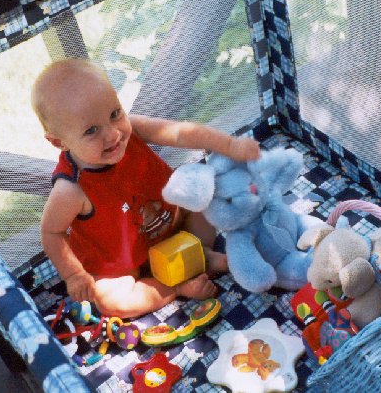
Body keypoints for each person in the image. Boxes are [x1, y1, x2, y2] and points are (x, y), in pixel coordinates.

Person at [31, 58, 260, 318]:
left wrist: (229, 146)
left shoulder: (133, 129)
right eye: (92, 130)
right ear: (59, 142)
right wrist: (74, 274)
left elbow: (180, 132)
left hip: (173, 227)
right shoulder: (70, 189)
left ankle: (199, 256)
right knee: (111, 303)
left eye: (115, 113)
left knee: (202, 191)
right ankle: (175, 285)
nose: (113, 134)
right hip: (122, 266)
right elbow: (52, 232)